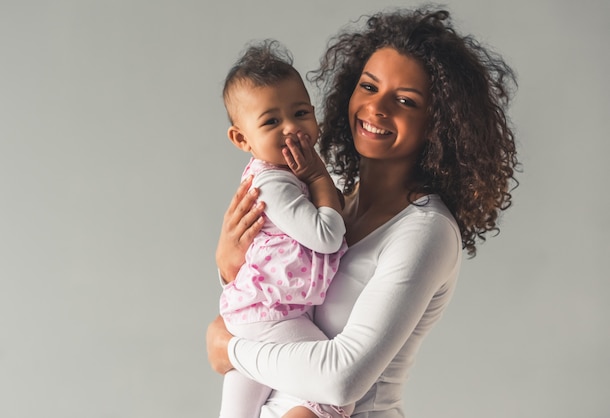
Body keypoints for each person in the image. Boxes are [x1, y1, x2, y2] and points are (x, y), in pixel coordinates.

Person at [208, 7, 518, 418]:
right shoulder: (327, 190)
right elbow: (281, 292)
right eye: (368, 87)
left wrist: (229, 349)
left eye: (405, 101)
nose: (376, 108)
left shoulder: (425, 231)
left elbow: (343, 380)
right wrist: (228, 266)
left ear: (438, 124)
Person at [217, 40, 352, 418]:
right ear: (242, 139)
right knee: (332, 388)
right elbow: (326, 236)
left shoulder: (287, 176)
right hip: (274, 314)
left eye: (301, 112)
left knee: (242, 399)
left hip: (259, 310)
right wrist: (318, 175)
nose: (292, 128)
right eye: (272, 121)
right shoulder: (274, 184)